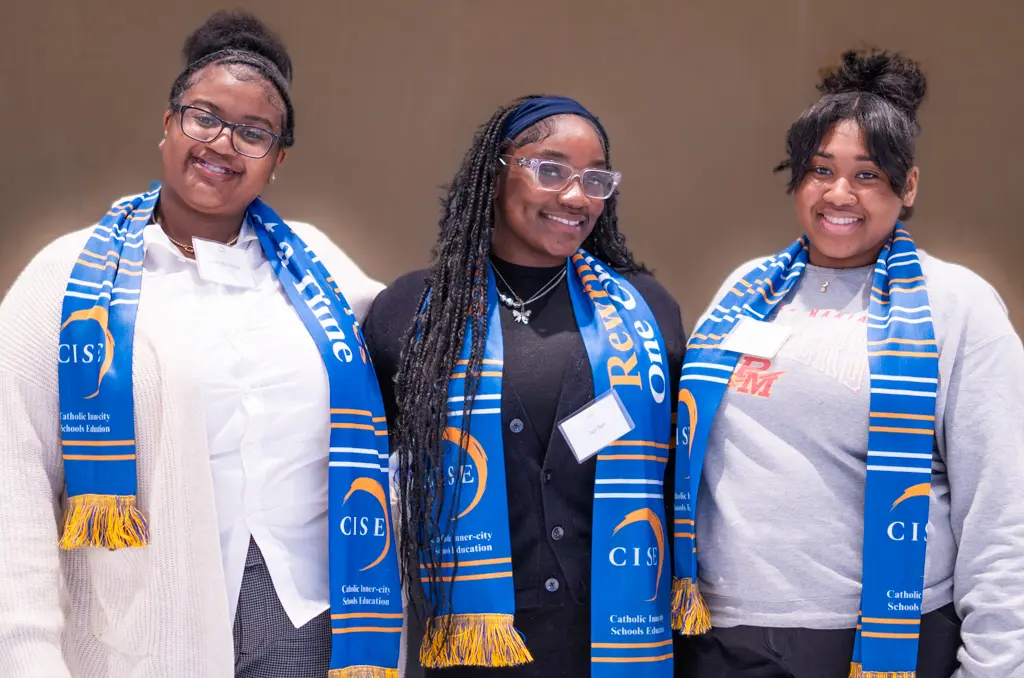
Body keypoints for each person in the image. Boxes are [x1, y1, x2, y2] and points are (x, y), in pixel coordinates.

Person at [0, 11, 403, 678]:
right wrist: (25, 650)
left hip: (303, 616)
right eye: (203, 116)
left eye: (253, 133)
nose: (222, 143)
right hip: (146, 632)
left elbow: (418, 345)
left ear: (276, 161)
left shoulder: (321, 270)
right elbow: (11, 476)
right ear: (167, 125)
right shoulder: (65, 280)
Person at [671, 49, 1024, 678]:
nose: (839, 193)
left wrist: (997, 665)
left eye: (867, 174)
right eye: (820, 170)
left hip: (878, 640)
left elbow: (1000, 509)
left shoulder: (958, 305)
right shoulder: (743, 289)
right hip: (721, 639)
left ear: (907, 185)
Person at [362, 95, 686, 677]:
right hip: (470, 641)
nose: (575, 196)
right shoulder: (410, 312)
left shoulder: (649, 313)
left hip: (614, 635)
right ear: (497, 172)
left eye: (594, 179)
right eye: (551, 169)